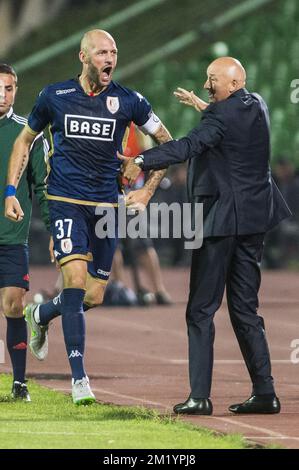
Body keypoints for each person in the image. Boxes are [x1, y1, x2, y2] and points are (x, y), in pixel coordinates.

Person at [5, 30, 172, 405]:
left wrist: (145, 185)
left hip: (106, 208)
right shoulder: (55, 96)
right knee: (76, 281)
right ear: (83, 57)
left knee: (92, 296)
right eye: (101, 52)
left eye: (113, 51)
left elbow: (168, 142)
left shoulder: (129, 101)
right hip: (65, 201)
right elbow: (24, 140)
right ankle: (80, 380)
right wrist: (12, 191)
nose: (109, 58)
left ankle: (43, 314)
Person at [118, 57, 291, 415]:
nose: (205, 84)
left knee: (200, 310)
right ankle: (265, 392)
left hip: (222, 221)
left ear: (233, 83)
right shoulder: (256, 103)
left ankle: (199, 396)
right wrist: (205, 106)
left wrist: (141, 161)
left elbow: (186, 147)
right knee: (245, 309)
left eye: (212, 80)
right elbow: (228, 124)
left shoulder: (218, 118)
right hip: (255, 219)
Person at [0, 63, 50, 401]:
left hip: (12, 239)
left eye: (9, 88)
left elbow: (44, 188)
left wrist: (56, 232)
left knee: (13, 305)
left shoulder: (29, 135)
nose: (2, 95)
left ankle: (19, 382)